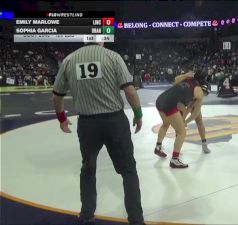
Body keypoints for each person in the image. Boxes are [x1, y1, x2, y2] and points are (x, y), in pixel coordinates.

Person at [52, 42, 145, 225]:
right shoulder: (113, 57)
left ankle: (86, 215)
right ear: (101, 39)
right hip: (114, 122)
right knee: (128, 170)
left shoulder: (70, 60)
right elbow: (129, 90)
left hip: (88, 124)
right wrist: (138, 114)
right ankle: (136, 219)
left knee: (88, 168)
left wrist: (62, 117)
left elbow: (57, 95)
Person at [154, 69, 208, 168]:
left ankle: (158, 147)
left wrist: (186, 75)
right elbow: (196, 113)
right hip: (170, 104)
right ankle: (174, 159)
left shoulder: (187, 79)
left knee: (166, 124)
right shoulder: (199, 91)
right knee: (182, 132)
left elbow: (175, 80)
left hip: (160, 99)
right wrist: (185, 121)